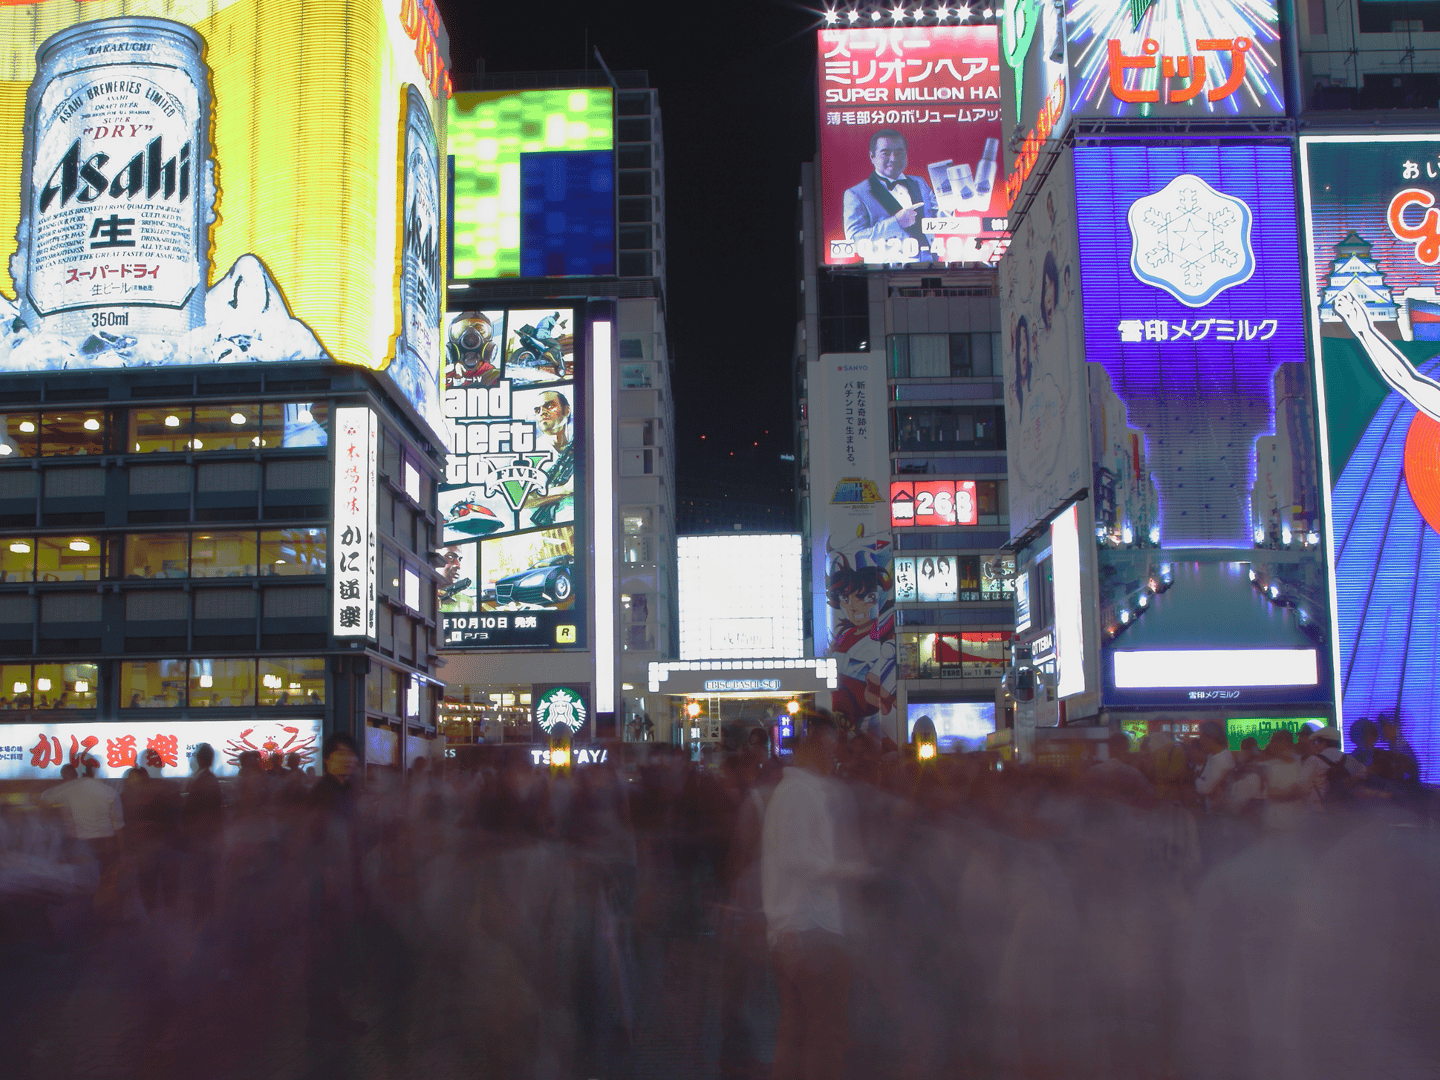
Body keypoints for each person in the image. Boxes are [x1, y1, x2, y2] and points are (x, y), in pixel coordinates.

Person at [761, 712, 865, 1080]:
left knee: (799, 1032)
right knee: (823, 1036)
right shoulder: (800, 793)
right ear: (820, 743)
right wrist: (851, 871)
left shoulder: (797, 791)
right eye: (834, 744)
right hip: (810, 929)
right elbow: (798, 859)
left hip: (798, 930)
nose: (836, 754)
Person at [841, 129, 939, 262]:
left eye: (899, 152)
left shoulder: (920, 182)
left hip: (931, 266)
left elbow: (937, 216)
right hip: (884, 274)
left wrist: (950, 207)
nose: (893, 159)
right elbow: (855, 241)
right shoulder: (856, 194)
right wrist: (896, 222)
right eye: (885, 153)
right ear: (872, 156)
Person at [183, 742, 224, 921]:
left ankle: (203, 914)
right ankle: (206, 912)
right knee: (204, 875)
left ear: (199, 759)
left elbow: (198, 809)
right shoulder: (208, 779)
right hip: (206, 835)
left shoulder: (204, 780)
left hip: (201, 836)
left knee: (201, 876)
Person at [527, 390, 575, 528]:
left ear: (566, 410)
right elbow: (518, 497)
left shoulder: (580, 447)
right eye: (537, 410)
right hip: (539, 533)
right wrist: (564, 490)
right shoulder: (530, 451)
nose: (542, 412)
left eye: (549, 406)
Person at [1302, 725, 1365, 809]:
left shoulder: (1313, 760)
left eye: (1316, 742)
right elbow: (1364, 773)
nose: (1315, 746)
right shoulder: (1350, 759)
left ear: (1324, 743)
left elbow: (1303, 785)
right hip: (1346, 811)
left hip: (1319, 812)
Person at [1193, 721, 1235, 813]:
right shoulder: (1211, 757)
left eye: (1202, 736)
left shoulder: (1223, 758)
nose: (1200, 740)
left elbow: (1206, 788)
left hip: (1222, 814)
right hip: (1213, 811)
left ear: (1211, 737)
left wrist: (1196, 779)